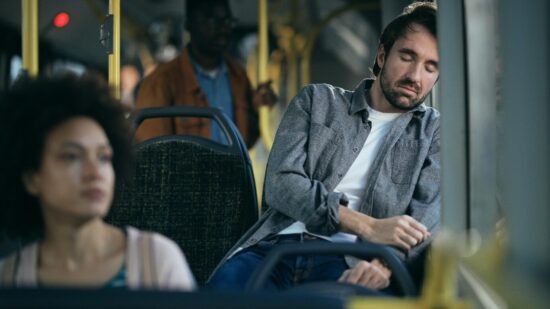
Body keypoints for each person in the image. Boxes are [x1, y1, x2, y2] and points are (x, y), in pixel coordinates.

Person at [208, 2, 440, 294]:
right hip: (276, 247)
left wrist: (384, 267)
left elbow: (426, 221)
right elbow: (280, 185)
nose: (415, 76)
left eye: (431, 67)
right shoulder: (316, 101)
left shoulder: (433, 131)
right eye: (407, 57)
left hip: (352, 261)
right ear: (382, 55)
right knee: (220, 294)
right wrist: (367, 226)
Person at [0, 74, 196, 290]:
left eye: (103, 158)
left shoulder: (158, 262)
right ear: (31, 178)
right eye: (72, 157)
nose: (95, 173)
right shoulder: (9, 278)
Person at [134, 0, 275, 146]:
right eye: (213, 20)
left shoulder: (238, 76)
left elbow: (244, 142)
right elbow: (152, 153)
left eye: (227, 20)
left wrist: (258, 110)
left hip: (232, 169)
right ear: (189, 24)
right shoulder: (161, 82)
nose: (223, 28)